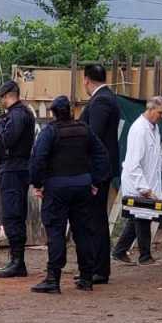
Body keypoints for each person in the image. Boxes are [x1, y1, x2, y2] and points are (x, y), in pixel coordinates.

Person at [28, 96, 110, 294]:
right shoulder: (84, 129)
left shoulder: (50, 132)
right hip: (82, 186)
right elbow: (102, 155)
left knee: (55, 232)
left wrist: (38, 184)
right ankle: (86, 278)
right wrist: (95, 180)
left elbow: (38, 159)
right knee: (83, 232)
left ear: (53, 113)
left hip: (56, 188)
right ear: (71, 110)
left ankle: (53, 279)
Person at [112, 96, 162, 265]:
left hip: (145, 180)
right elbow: (133, 164)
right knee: (142, 217)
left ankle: (119, 251)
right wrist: (144, 188)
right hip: (137, 182)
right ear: (150, 109)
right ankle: (145, 256)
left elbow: (158, 154)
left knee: (139, 217)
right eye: (160, 113)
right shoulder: (140, 130)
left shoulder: (152, 128)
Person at [77, 64, 122, 285]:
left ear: (86, 80)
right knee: (94, 217)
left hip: (97, 170)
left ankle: (99, 269)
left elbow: (92, 136)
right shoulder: (106, 98)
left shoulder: (102, 100)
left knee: (95, 219)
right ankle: (94, 267)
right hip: (100, 168)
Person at [0, 80, 36, 278]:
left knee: (13, 213)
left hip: (14, 168)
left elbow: (9, 139)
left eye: (2, 97)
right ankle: (15, 260)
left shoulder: (17, 115)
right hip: (12, 167)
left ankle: (18, 262)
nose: (1, 101)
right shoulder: (20, 114)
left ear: (8, 95)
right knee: (12, 212)